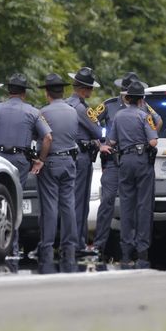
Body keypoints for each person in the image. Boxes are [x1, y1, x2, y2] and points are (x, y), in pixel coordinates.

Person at [0, 73, 52, 257]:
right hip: (20, 162)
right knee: (15, 203)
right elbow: (48, 137)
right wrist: (41, 159)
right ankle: (14, 246)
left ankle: (2, 245)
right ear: (24, 93)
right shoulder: (33, 112)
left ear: (8, 91)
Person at [92, 72, 162, 259]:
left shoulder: (132, 110)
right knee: (115, 203)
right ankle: (105, 245)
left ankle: (130, 247)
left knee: (129, 205)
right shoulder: (110, 105)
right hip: (122, 161)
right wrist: (100, 145)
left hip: (125, 161)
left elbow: (158, 121)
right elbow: (91, 119)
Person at [106, 80, 158, 265]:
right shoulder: (145, 116)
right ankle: (142, 249)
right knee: (143, 205)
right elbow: (153, 142)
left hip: (124, 161)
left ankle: (126, 250)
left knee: (127, 206)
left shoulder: (118, 116)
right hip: (142, 161)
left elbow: (111, 142)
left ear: (127, 98)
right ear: (142, 99)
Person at [37, 73, 79, 271]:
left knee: (50, 206)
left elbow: (44, 137)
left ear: (47, 93)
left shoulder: (43, 113)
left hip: (51, 160)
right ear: (63, 91)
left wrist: (40, 159)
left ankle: (46, 245)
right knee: (68, 204)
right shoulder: (73, 111)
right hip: (69, 161)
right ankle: (69, 245)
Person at [66, 67, 103, 253]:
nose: (92, 92)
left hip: (67, 155)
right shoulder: (82, 108)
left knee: (67, 200)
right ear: (85, 89)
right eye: (91, 88)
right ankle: (78, 243)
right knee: (80, 202)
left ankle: (68, 240)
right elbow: (98, 131)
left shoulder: (66, 103)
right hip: (81, 158)